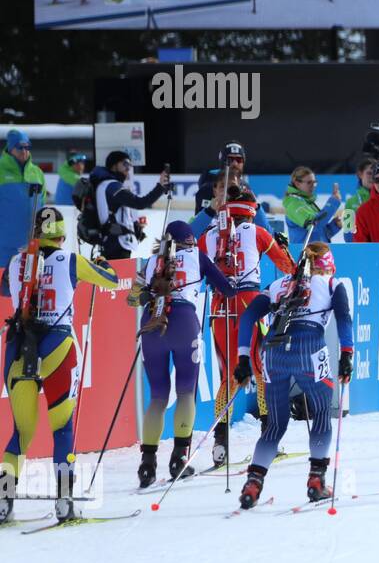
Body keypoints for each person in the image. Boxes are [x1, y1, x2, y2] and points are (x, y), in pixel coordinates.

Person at [1, 208, 125, 523]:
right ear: (62, 234)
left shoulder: (16, 263)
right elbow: (111, 280)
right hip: (57, 346)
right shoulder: (70, 260)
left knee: (21, 433)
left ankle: (3, 500)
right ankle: (64, 501)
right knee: (62, 429)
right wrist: (101, 263)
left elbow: (4, 288)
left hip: (18, 348)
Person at [232, 243, 354, 508]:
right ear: (327, 265)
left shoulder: (279, 285)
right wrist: (346, 354)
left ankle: (253, 483)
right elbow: (344, 318)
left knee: (275, 424)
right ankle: (317, 481)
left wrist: (243, 357)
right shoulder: (332, 283)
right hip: (310, 347)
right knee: (321, 412)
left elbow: (248, 317)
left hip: (273, 353)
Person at [132, 221, 237, 487]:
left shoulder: (153, 260)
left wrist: (146, 294)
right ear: (189, 241)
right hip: (184, 323)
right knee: (186, 392)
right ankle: (179, 458)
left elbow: (132, 298)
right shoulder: (197, 256)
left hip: (152, 323)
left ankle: (147, 464)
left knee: (157, 396)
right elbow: (227, 289)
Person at [199, 189, 296, 466]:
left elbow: (192, 261)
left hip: (219, 305)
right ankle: (268, 440)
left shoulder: (210, 235)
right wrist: (284, 246)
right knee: (259, 370)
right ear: (251, 210)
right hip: (249, 302)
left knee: (229, 376)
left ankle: (220, 444)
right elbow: (287, 266)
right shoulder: (256, 232)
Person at [81, 152, 171, 260]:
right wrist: (160, 187)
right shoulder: (112, 186)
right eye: (125, 164)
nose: (128, 168)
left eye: (130, 165)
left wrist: (135, 227)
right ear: (114, 165)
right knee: (120, 276)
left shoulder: (106, 185)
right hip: (117, 244)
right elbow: (140, 202)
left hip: (111, 242)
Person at [0, 130, 46, 268]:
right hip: (4, 245)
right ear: (10, 148)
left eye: (27, 147)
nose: (24, 151)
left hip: (31, 245)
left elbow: (42, 206)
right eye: (20, 147)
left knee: (27, 287)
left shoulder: (37, 172)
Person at [282, 167, 343, 245]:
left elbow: (318, 234)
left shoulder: (308, 203)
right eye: (309, 182)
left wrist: (334, 225)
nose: (313, 185)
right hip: (304, 254)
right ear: (297, 183)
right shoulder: (293, 204)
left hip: (316, 252)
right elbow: (314, 226)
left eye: (315, 182)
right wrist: (333, 203)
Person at [195, 142, 247, 214]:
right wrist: (211, 209)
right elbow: (199, 222)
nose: (235, 164)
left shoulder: (246, 189)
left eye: (239, 160)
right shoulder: (207, 187)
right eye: (230, 159)